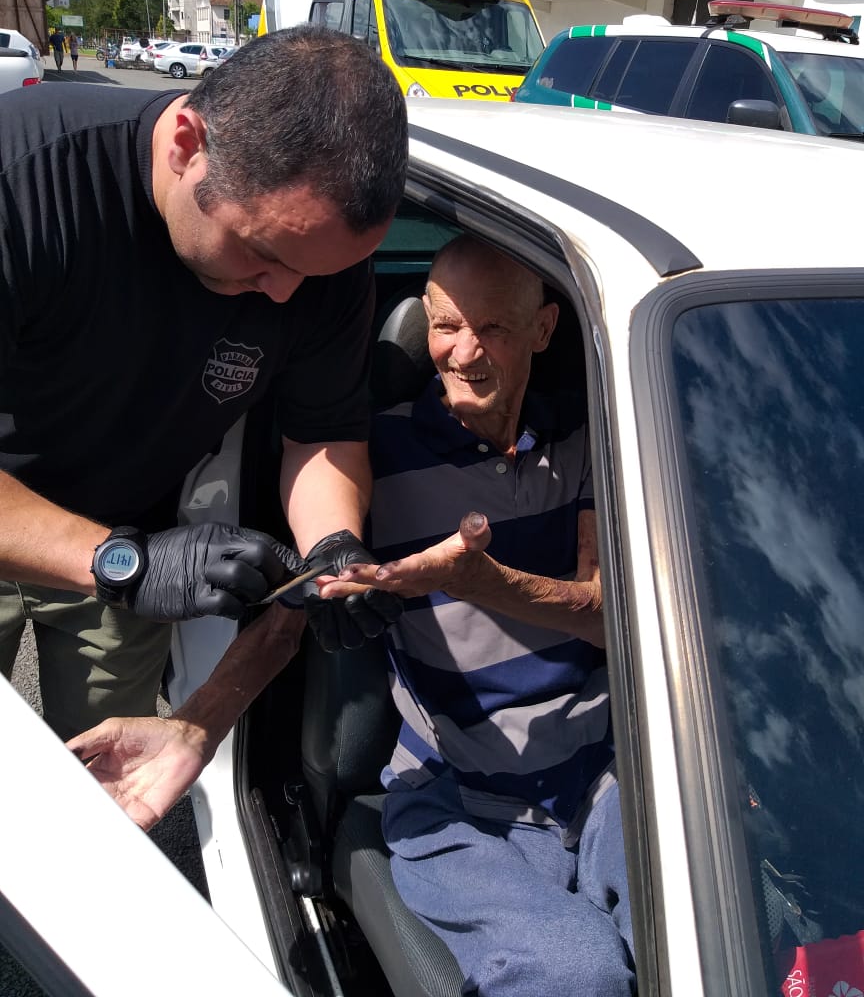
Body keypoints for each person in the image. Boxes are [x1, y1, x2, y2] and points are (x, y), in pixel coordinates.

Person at [69, 239, 634, 997]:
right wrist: (195, 729)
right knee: (576, 974)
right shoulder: (380, 453)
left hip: (609, 776)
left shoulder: (588, 435)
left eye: (494, 328)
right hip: (459, 802)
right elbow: (300, 614)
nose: (464, 353)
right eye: (445, 326)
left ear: (544, 329)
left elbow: (603, 617)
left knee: (707, 932)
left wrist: (485, 583)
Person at [0, 25, 406, 745]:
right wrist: (125, 565)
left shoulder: (318, 259)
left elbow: (322, 434)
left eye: (315, 274)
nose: (284, 294)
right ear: (187, 144)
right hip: (82, 539)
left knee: (106, 779)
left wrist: (334, 544)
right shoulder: (25, 178)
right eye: (261, 253)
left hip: (130, 540)